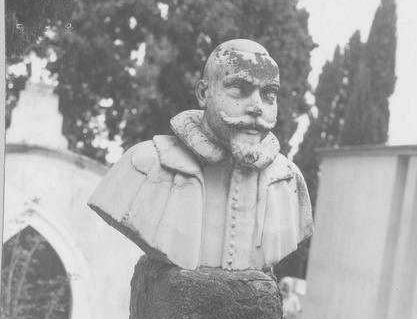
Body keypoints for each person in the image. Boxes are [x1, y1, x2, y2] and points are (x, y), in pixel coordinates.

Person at [89, 39, 313, 271]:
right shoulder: (145, 163)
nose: (257, 107)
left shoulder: (288, 181)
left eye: (269, 95)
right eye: (238, 89)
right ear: (204, 93)